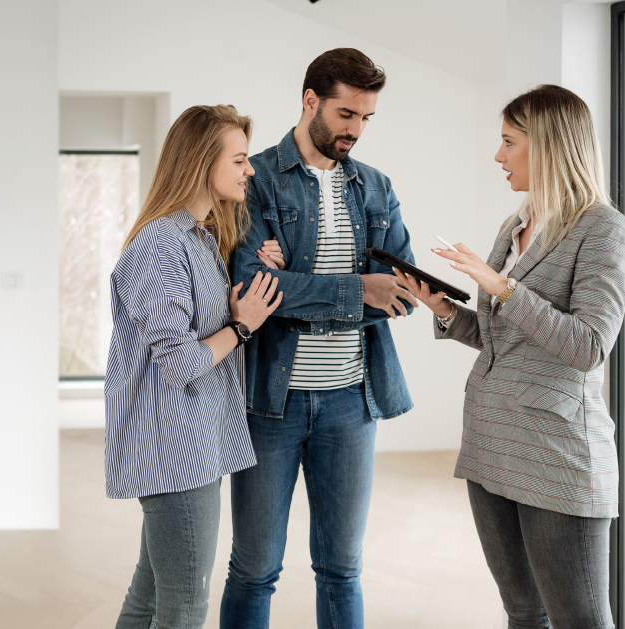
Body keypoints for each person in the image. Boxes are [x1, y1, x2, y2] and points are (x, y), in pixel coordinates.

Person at [399, 84, 625, 628]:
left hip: (558, 456)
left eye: (509, 143)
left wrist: (502, 287)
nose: (498, 157)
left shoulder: (605, 231)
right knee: (523, 612)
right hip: (490, 444)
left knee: (579, 618)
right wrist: (442, 310)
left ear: (548, 146)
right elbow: (499, 338)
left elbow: (588, 346)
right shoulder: (516, 224)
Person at [220, 48, 419, 629]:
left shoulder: (375, 188)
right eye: (345, 114)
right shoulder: (253, 178)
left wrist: (294, 288)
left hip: (351, 403)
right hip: (270, 405)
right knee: (255, 569)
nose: (355, 130)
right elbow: (251, 290)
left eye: (365, 119)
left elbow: (400, 292)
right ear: (310, 101)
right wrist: (359, 291)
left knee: (341, 569)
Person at [105, 104, 284, 629]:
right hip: (174, 450)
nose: (250, 170)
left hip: (190, 443)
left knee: (151, 594)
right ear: (203, 162)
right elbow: (181, 362)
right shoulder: (161, 243)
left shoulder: (200, 237)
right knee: (183, 606)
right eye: (240, 159)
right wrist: (243, 325)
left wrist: (237, 297)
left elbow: (192, 328)